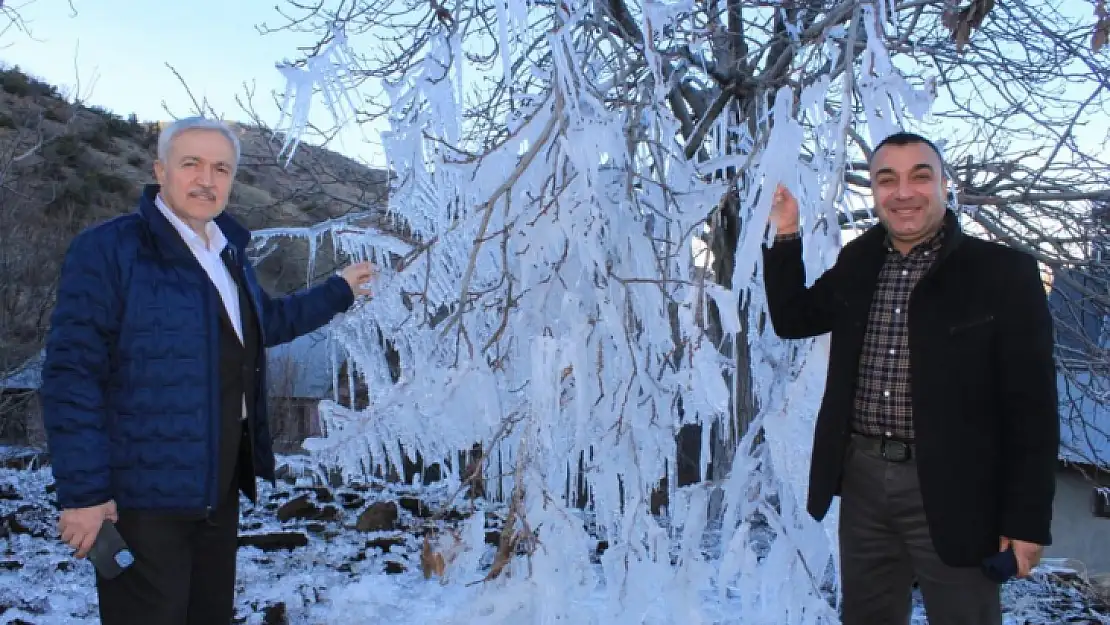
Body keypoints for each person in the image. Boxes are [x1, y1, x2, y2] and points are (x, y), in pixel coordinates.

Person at [39, 116, 377, 624]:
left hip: (217, 491)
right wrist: (85, 495)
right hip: (143, 498)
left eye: (221, 168)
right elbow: (71, 374)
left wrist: (339, 290)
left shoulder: (227, 254)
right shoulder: (110, 250)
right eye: (190, 163)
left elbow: (265, 325)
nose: (206, 179)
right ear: (160, 170)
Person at [761, 131, 1059, 625]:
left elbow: (1033, 411)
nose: (903, 192)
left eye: (920, 176)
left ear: (945, 184)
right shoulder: (861, 260)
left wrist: (1026, 522)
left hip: (958, 491)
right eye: (887, 179)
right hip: (862, 481)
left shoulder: (1003, 274)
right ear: (875, 192)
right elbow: (794, 319)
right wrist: (786, 231)